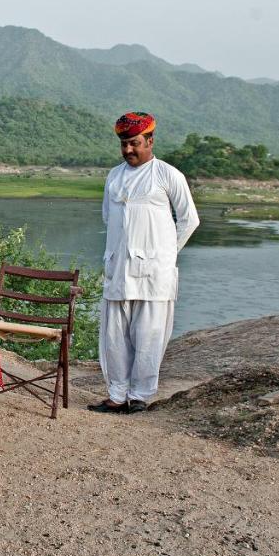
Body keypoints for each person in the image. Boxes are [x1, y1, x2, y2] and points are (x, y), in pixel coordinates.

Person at [88, 111, 199, 414]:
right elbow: (108, 218)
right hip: (118, 268)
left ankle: (140, 396)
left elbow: (189, 220)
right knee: (114, 336)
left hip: (154, 272)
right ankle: (116, 395)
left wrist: (166, 253)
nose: (128, 150)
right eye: (124, 144)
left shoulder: (167, 174)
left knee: (149, 335)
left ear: (150, 140)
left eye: (134, 143)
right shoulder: (114, 176)